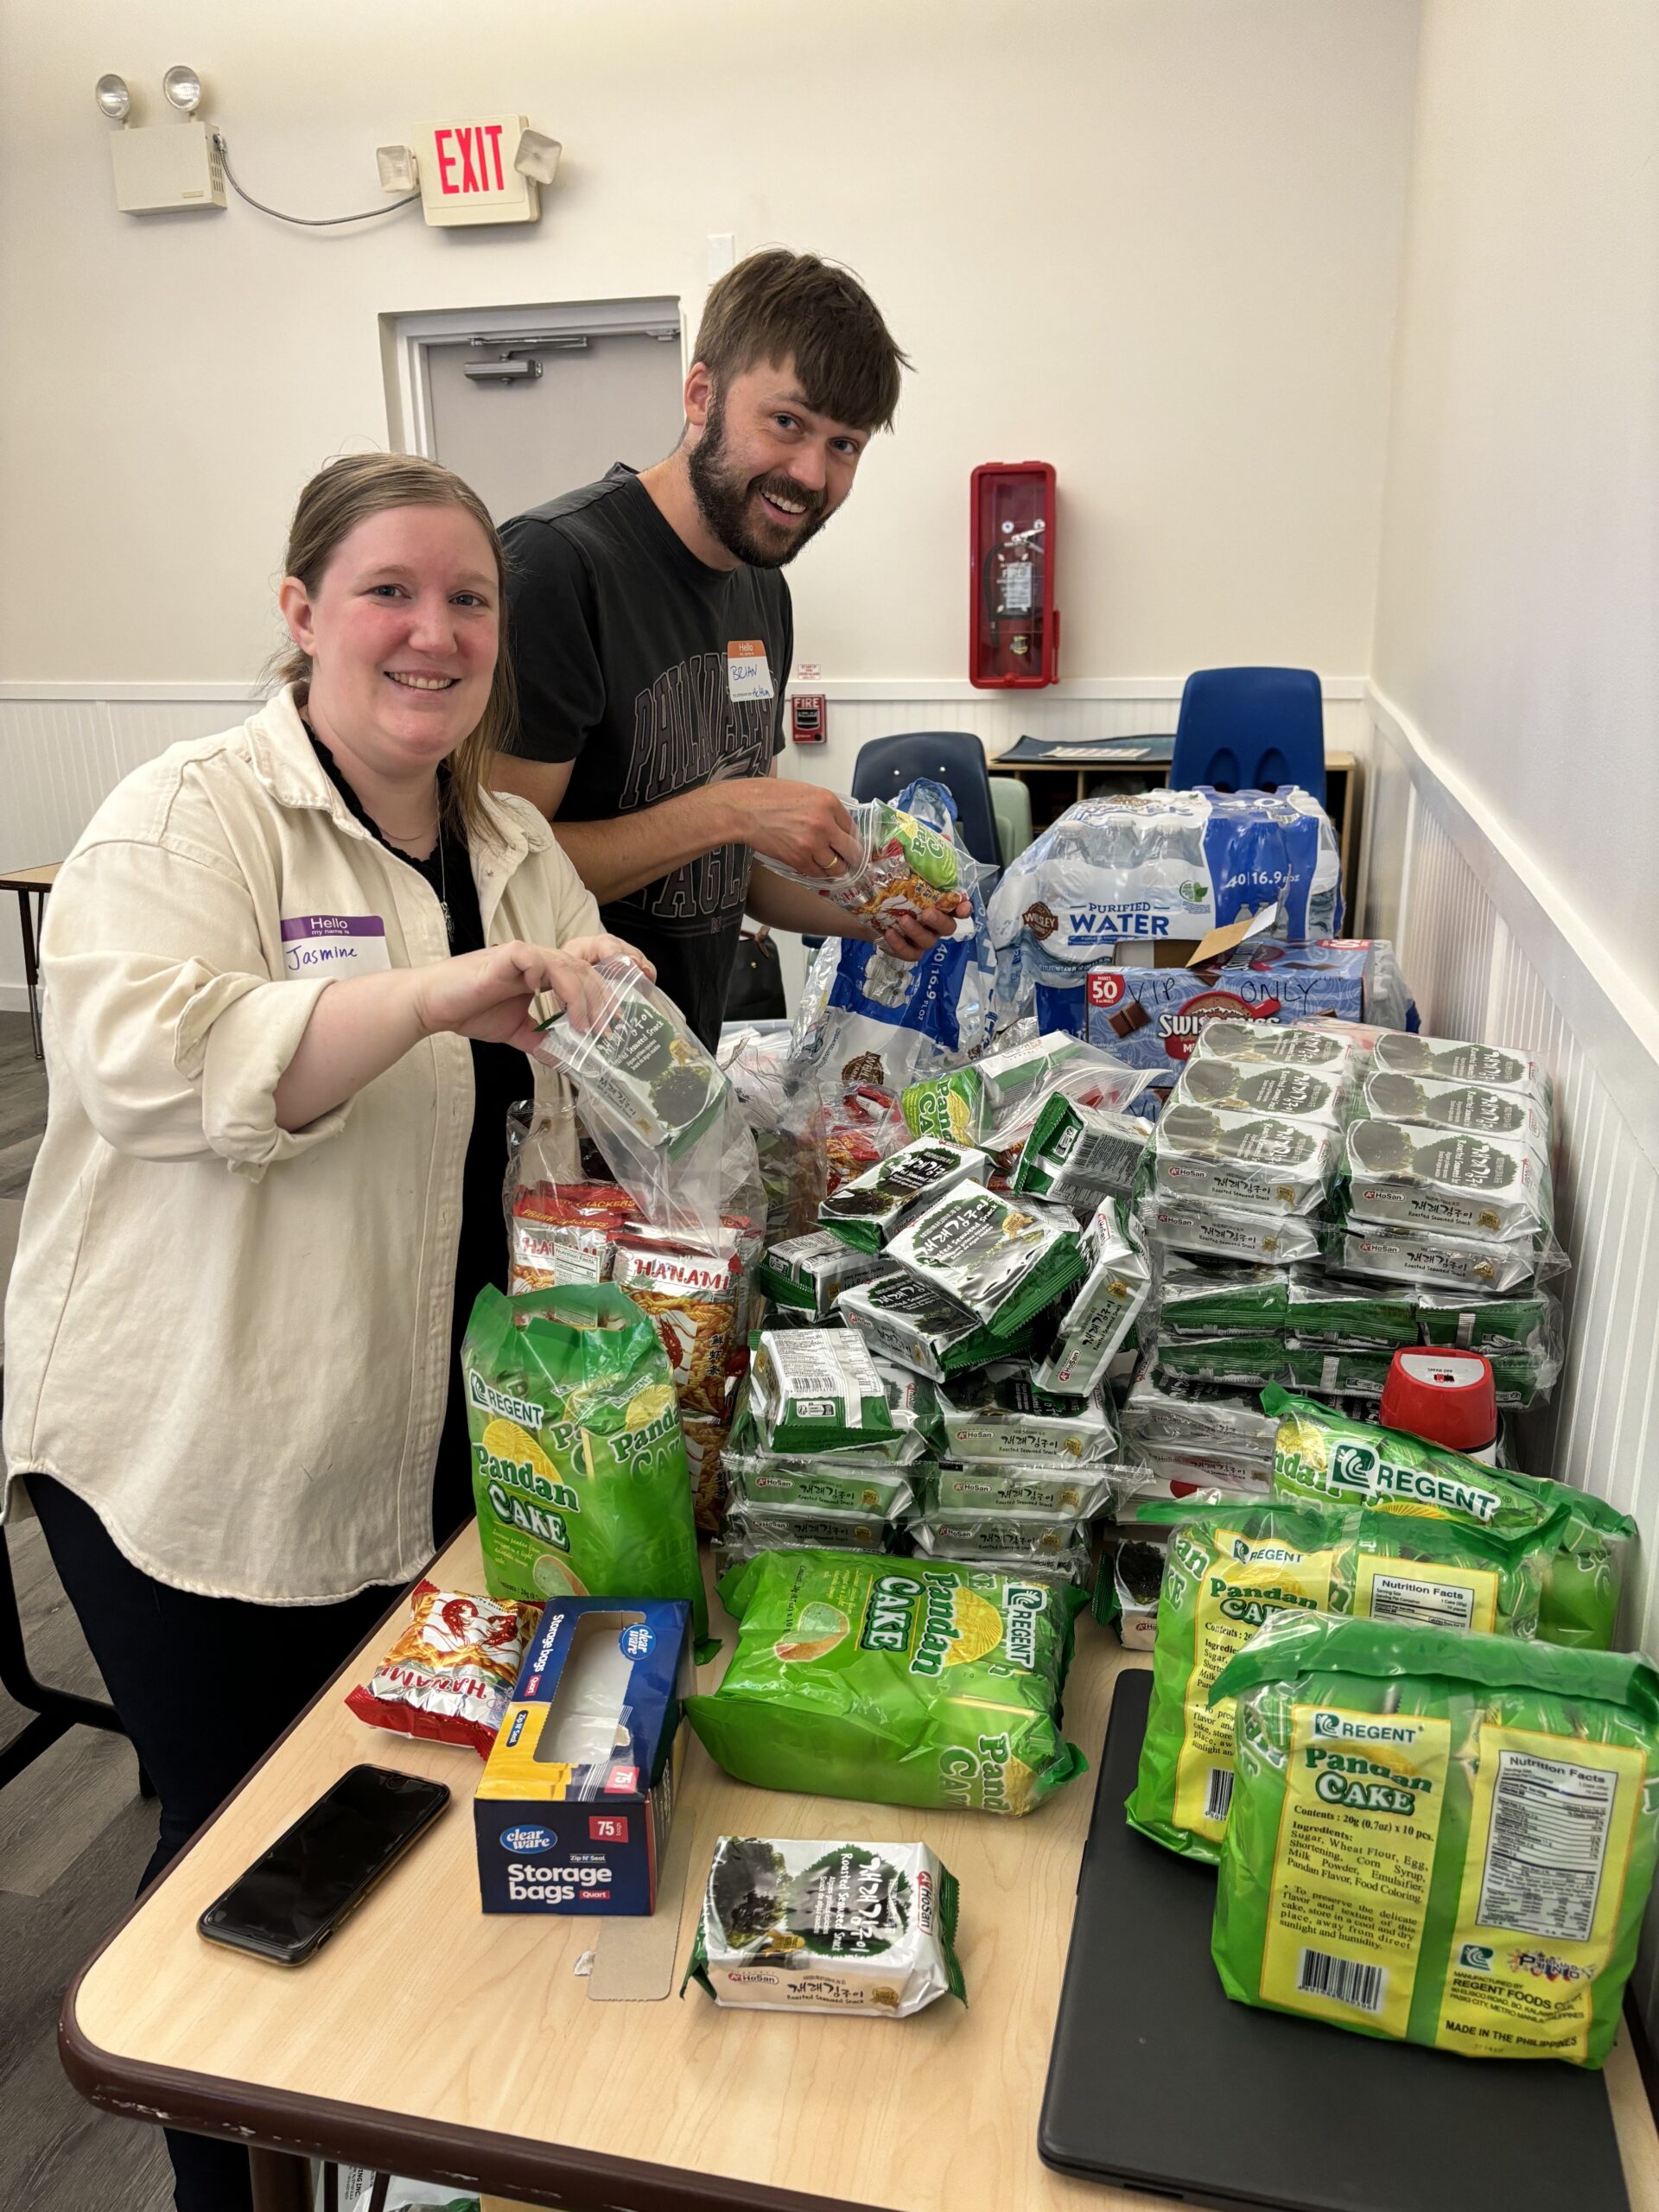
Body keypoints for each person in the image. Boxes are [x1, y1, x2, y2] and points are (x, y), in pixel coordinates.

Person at [1, 453, 645, 2212]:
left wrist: (640, 1052)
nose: (434, 634)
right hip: (198, 1447)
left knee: (406, 1816)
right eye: (389, 591)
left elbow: (588, 1106)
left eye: (469, 601)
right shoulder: (188, 817)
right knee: (241, 1847)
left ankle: (397, 2138)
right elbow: (145, 1068)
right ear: (299, 613)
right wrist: (434, 996)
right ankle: (242, 2183)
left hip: (436, 1419)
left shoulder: (514, 844)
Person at [491, 247, 969, 1048]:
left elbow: (741, 875)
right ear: (701, 394)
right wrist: (732, 808)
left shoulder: (761, 588)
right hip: (558, 1080)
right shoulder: (555, 567)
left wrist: (876, 912)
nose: (811, 473)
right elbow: (502, 871)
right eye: (788, 422)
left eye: (844, 444)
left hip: (685, 1069)